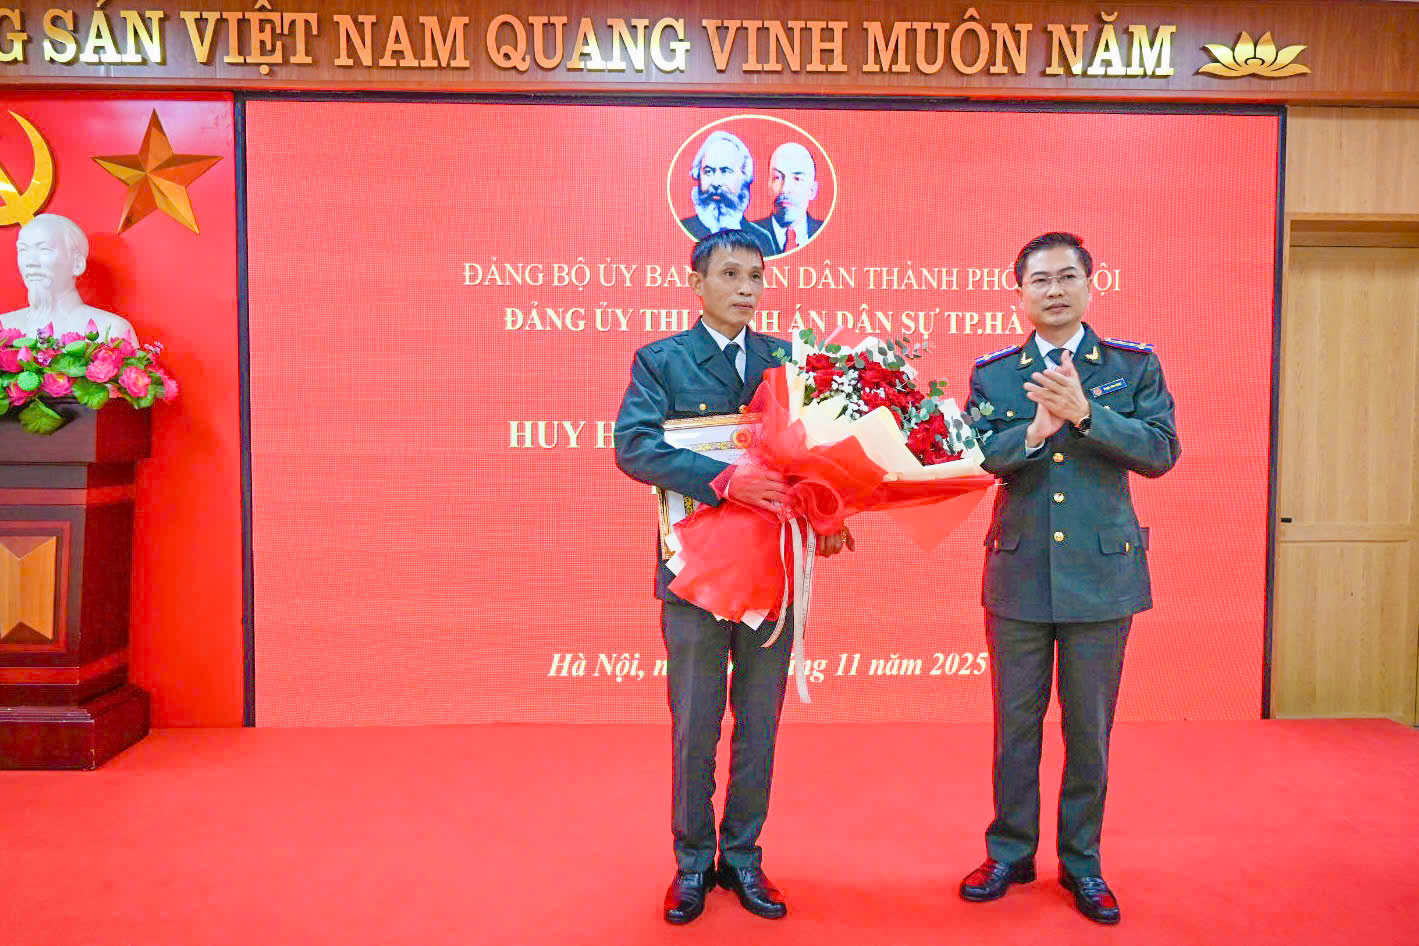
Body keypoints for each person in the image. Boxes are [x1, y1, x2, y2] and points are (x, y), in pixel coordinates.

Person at [614, 229, 850, 925]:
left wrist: (829, 511)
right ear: (697, 283)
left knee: (759, 722)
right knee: (695, 723)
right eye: (730, 274)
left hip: (775, 567)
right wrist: (723, 481)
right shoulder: (661, 361)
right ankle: (692, 863)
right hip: (694, 572)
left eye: (755, 276)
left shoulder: (788, 361)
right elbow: (634, 447)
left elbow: (818, 454)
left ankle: (743, 856)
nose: (746, 288)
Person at [958, 232, 1181, 926]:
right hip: (1019, 572)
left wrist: (1086, 415)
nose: (1053, 291)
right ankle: (1009, 852)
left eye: (1065, 277)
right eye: (1039, 280)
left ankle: (1082, 862)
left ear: (1090, 284)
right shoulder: (996, 374)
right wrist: (1031, 433)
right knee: (1015, 727)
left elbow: (1160, 452)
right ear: (1019, 293)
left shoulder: (1130, 366)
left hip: (1101, 575)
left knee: (1089, 730)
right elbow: (971, 456)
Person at [1, 214, 136, 341]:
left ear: (77, 264)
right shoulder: (4, 326)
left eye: (44, 250)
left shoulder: (112, 331)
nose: (30, 262)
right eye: (23, 250)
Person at [677, 131, 774, 255]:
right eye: (708, 172)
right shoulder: (682, 230)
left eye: (725, 171)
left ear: (744, 177)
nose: (716, 183)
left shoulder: (762, 239)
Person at [751, 142, 823, 256]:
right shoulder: (747, 237)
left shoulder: (828, 234)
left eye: (797, 179)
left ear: (812, 190)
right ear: (768, 185)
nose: (785, 189)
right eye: (777, 177)